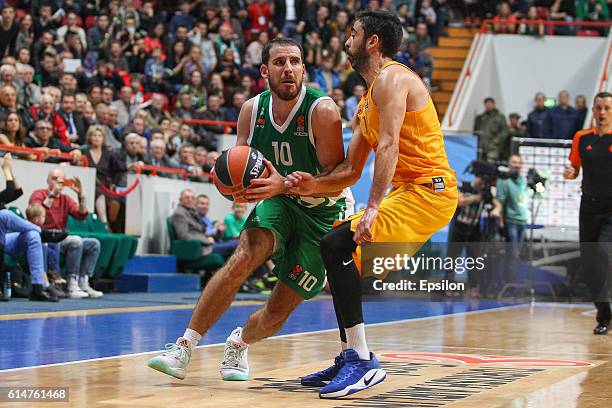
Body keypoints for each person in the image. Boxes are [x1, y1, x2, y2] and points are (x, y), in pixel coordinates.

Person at [147, 38, 352, 384]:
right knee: (243, 256)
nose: (288, 68)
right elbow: (241, 164)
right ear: (264, 71)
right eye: (279, 62)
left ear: (304, 69)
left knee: (276, 312)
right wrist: (229, 182)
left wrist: (282, 183)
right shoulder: (252, 110)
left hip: (325, 211)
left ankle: (238, 343)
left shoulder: (323, 111)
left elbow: (334, 180)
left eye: (295, 62)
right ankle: (183, 346)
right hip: (280, 202)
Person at [284, 10, 458, 398]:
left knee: (336, 244)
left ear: (373, 42)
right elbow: (348, 170)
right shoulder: (367, 101)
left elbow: (391, 144)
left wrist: (374, 207)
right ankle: (351, 354)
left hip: (430, 191)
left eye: (353, 33)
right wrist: (305, 184)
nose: (347, 40)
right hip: (408, 191)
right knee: (339, 254)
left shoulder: (395, 78)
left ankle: (363, 362)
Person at [564, 92, 612, 335]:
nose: (602, 113)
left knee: (605, 251)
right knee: (591, 261)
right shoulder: (582, 138)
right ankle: (603, 314)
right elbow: (574, 167)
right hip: (589, 207)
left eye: (607, 108)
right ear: (593, 111)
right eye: (599, 108)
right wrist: (570, 173)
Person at [29, 169, 102, 299]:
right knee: (76, 241)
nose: (59, 182)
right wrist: (52, 195)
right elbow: (36, 213)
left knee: (93, 244)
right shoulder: (39, 194)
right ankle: (71, 284)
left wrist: (81, 196)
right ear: (48, 180)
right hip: (46, 237)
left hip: (61, 238)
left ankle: (83, 282)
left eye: (62, 180)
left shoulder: (65, 199)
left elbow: (82, 215)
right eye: (55, 179)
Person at [491, 154, 528, 285]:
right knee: (511, 254)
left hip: (523, 221)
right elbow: (499, 200)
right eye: (514, 162)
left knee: (517, 254)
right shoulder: (503, 180)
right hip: (510, 221)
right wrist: (500, 221)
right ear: (508, 164)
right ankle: (508, 283)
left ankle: (511, 282)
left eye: (519, 162)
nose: (517, 165)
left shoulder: (523, 180)